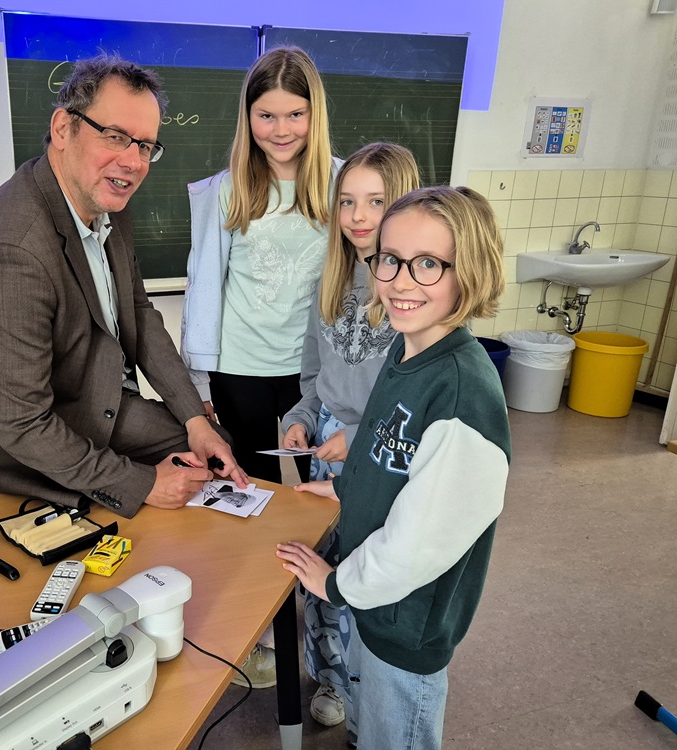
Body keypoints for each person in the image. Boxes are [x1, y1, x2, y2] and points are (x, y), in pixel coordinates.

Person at [0, 54, 247, 520]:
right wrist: (142, 482)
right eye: (115, 137)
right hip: (26, 439)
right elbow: (23, 426)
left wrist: (193, 418)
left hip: (95, 399)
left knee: (213, 450)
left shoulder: (106, 200)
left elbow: (140, 314)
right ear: (64, 128)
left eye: (145, 145)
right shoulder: (9, 252)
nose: (132, 161)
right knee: (163, 497)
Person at [276, 185, 511, 750]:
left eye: (428, 263)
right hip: (374, 603)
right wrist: (342, 490)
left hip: (405, 624)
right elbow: (384, 454)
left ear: (469, 269)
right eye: (390, 259)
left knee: (396, 733)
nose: (402, 281)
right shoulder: (403, 349)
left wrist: (334, 584)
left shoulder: (460, 392)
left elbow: (418, 544)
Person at [280, 143, 421, 729]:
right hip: (326, 455)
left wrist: (359, 436)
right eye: (347, 201)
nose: (359, 216)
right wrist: (303, 419)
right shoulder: (330, 279)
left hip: (383, 456)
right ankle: (335, 682)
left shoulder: (411, 294)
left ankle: (373, 708)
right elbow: (315, 377)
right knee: (322, 573)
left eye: (377, 201)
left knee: (369, 577)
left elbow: (416, 397)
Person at [181, 46, 340, 487]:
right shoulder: (228, 189)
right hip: (239, 368)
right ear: (248, 117)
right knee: (253, 484)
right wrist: (198, 379)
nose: (281, 130)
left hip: (312, 367)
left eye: (295, 114)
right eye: (265, 115)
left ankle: (317, 556)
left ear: (315, 115)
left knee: (323, 477)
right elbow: (206, 283)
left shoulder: (345, 184)